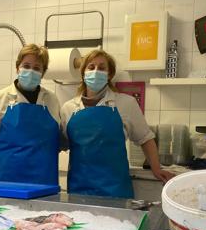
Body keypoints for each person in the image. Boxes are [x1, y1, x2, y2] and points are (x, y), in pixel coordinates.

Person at [60, 49, 174, 198]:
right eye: (91, 67)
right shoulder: (68, 108)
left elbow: (146, 139)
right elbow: (63, 144)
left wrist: (156, 168)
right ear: (83, 73)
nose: (96, 71)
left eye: (102, 68)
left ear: (109, 74)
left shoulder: (126, 103)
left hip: (115, 190)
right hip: (78, 189)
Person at [0, 44, 61, 185]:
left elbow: (59, 138)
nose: (31, 71)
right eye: (26, 66)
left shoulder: (52, 100)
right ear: (17, 67)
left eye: (37, 68)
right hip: (5, 182)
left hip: (44, 182)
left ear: (43, 73)